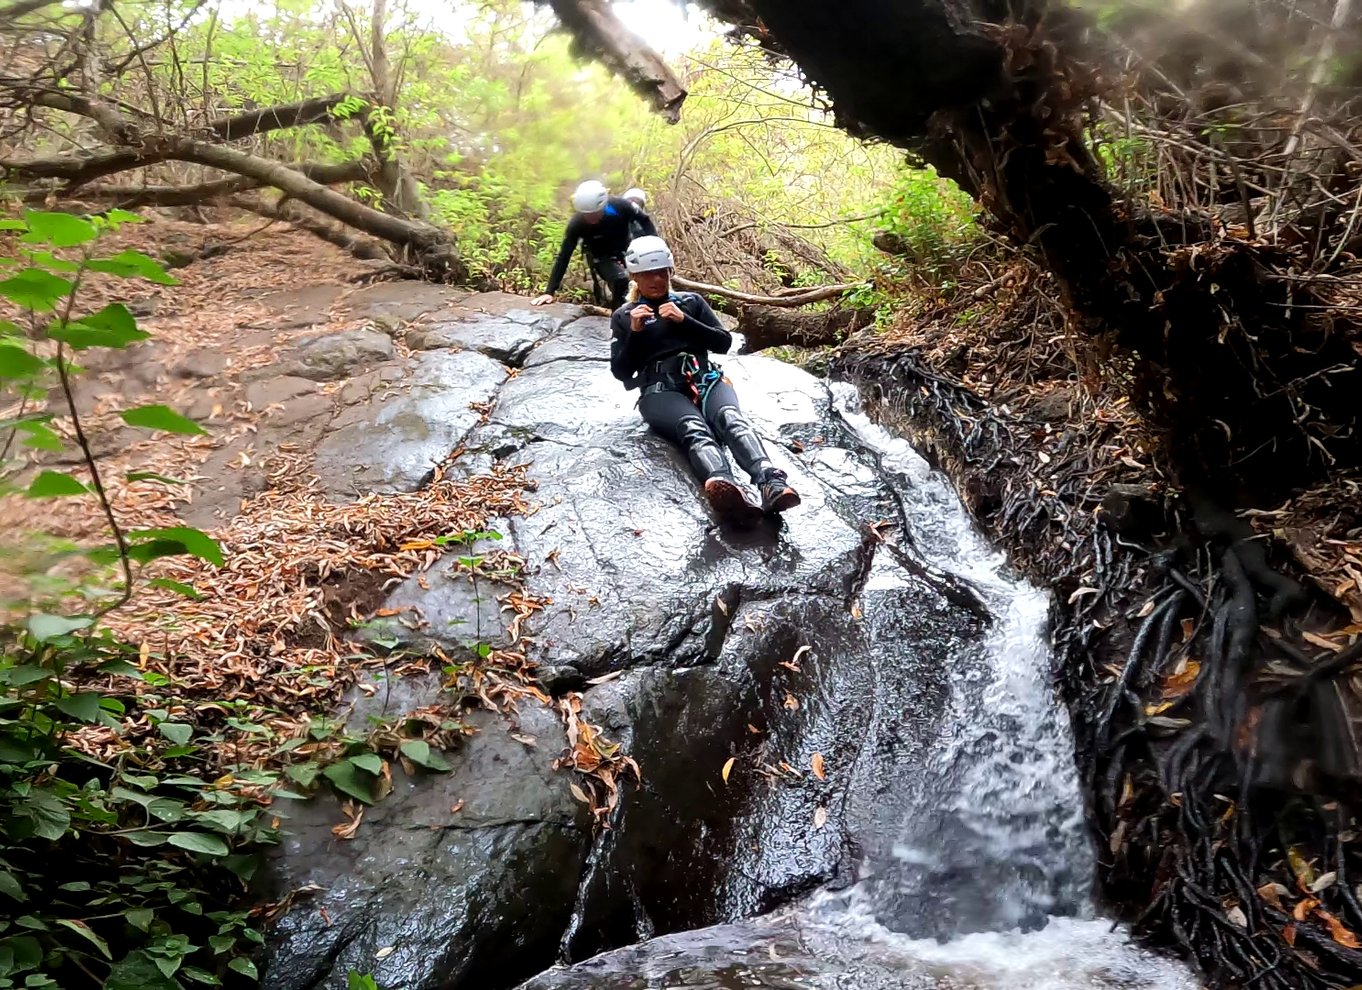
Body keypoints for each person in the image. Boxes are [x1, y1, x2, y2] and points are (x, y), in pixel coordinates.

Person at [610, 235, 801, 524]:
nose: (656, 279)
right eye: (648, 273)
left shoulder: (690, 303)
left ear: (670, 272)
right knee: (693, 428)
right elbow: (622, 372)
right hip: (660, 390)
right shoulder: (625, 316)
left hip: (706, 378)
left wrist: (685, 321)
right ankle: (723, 486)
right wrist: (635, 333)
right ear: (635, 276)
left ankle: (772, 483)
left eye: (662, 272)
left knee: (730, 419)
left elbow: (724, 343)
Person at [532, 180, 655, 311]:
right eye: (587, 215)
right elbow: (564, 255)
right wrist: (549, 291)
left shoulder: (620, 206)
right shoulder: (577, 223)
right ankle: (619, 316)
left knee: (647, 275)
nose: (591, 219)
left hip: (625, 246)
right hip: (601, 255)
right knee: (620, 281)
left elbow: (645, 220)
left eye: (595, 214)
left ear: (603, 206)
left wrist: (655, 247)